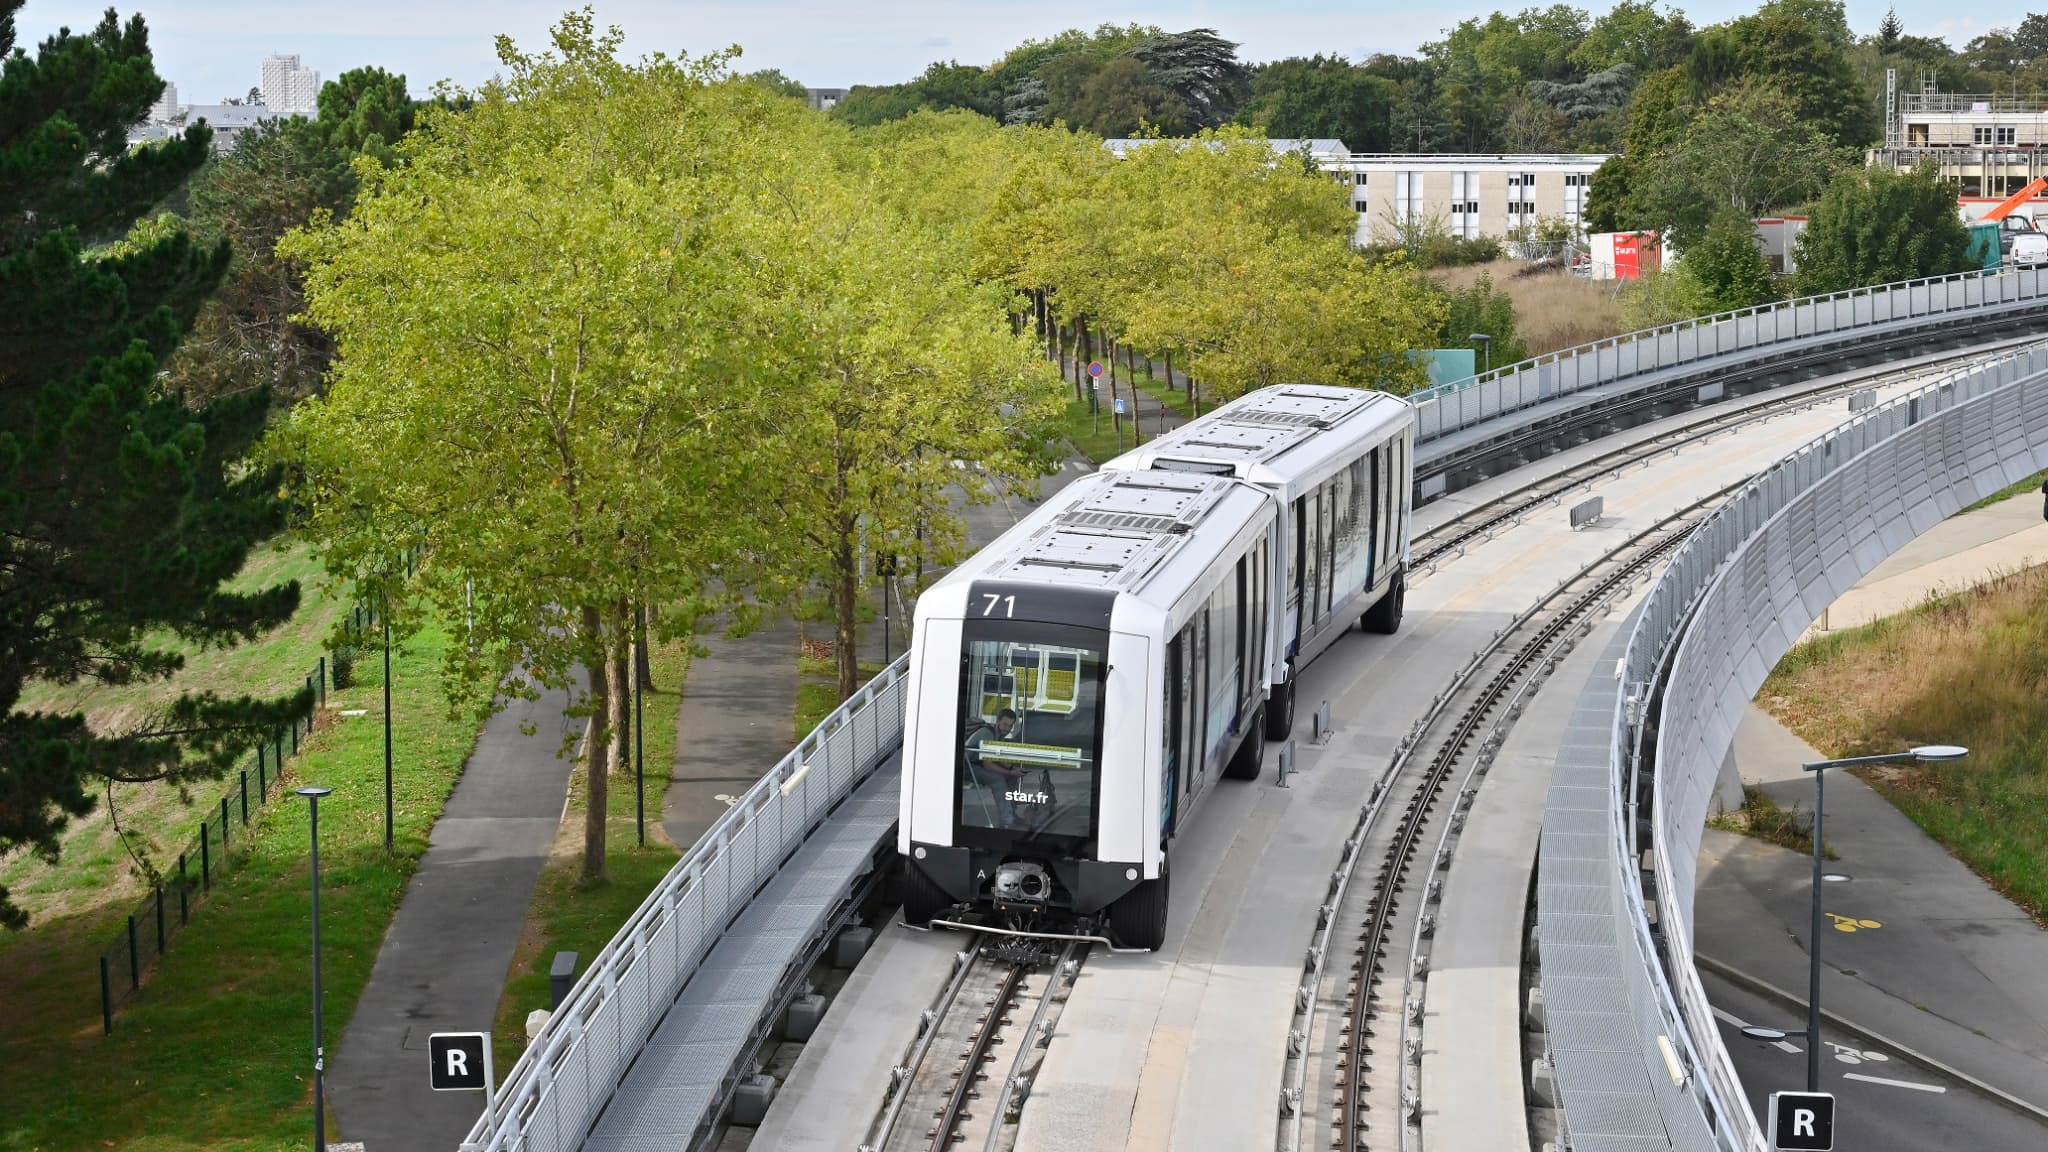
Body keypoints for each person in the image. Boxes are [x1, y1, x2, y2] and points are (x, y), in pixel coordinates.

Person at [965, 708, 1025, 826]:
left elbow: (997, 757)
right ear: (997, 721)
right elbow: (988, 764)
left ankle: (1010, 813)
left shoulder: (998, 734)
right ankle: (1007, 820)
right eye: (1004, 725)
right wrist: (1009, 772)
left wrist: (1012, 768)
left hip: (978, 764)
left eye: (1010, 726)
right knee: (997, 779)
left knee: (1014, 778)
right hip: (967, 767)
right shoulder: (987, 733)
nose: (1007, 729)